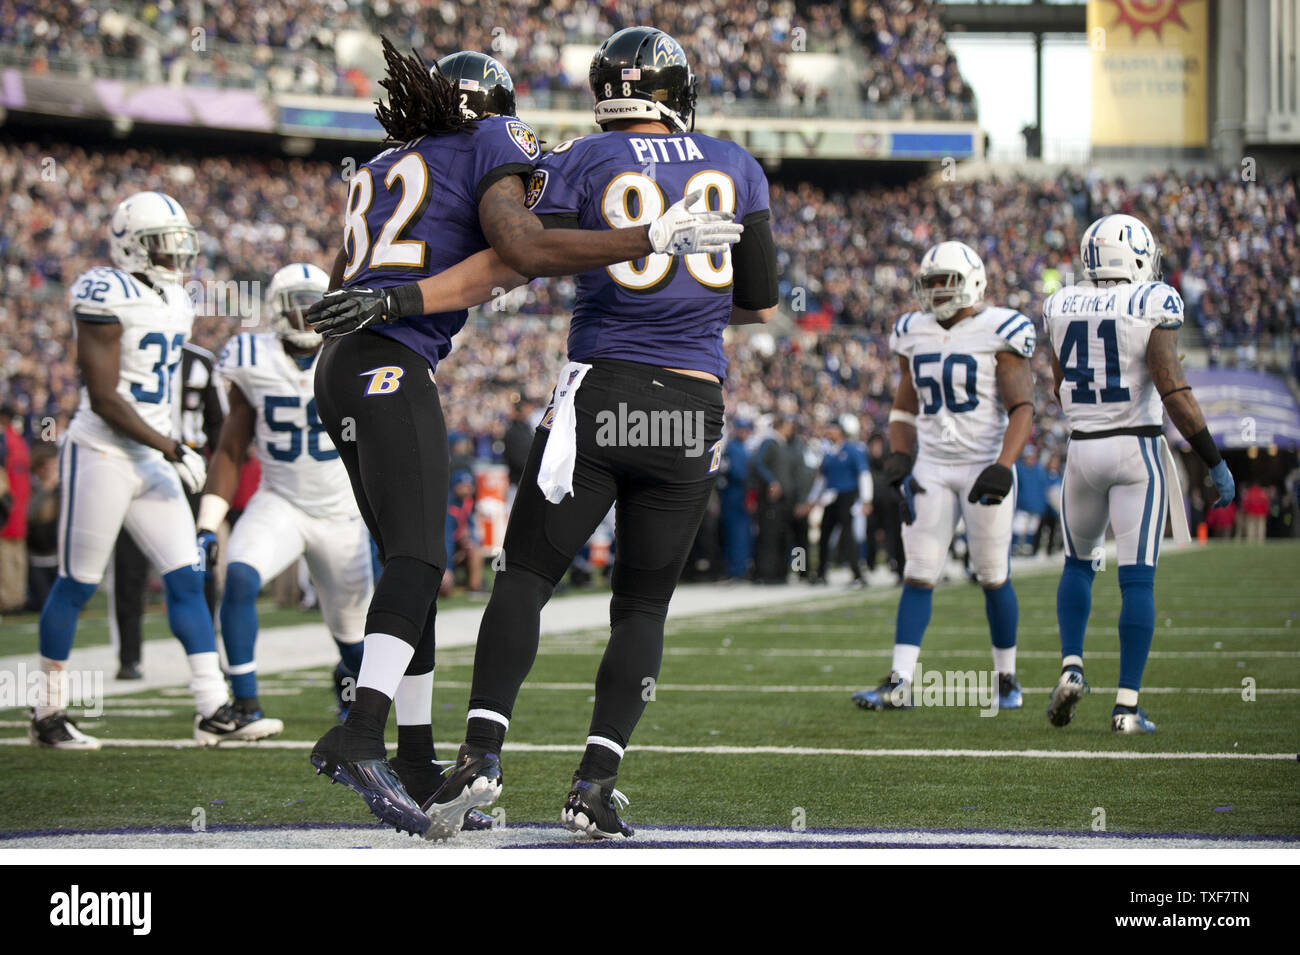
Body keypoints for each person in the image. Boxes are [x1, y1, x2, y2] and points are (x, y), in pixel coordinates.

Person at [302, 42, 742, 837]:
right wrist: (650, 238)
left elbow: (352, 286)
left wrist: (388, 303)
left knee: (414, 564)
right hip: (394, 365)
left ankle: (413, 755)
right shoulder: (494, 143)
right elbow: (524, 251)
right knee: (420, 560)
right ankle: (360, 732)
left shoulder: (381, 163)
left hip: (340, 367)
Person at [32, 191, 267, 749]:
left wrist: (167, 447)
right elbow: (104, 397)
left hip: (153, 455)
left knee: (187, 575)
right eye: (163, 245)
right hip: (103, 453)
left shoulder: (177, 300)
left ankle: (212, 707)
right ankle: (47, 712)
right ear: (132, 246)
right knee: (78, 582)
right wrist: (171, 445)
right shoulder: (102, 289)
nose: (174, 256)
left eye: (178, 245)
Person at [1043, 213, 1235, 734]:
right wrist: (1213, 459)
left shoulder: (1058, 302)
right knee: (1136, 578)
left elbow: (1058, 382)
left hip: (1082, 450)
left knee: (1078, 564)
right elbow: (1172, 388)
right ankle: (1126, 707)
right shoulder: (1154, 299)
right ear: (1138, 254)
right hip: (1135, 449)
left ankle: (1072, 666)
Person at [852, 240, 1035, 714]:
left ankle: (1008, 679)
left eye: (945, 281)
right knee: (918, 574)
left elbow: (1022, 407)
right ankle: (900, 681)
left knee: (993, 575)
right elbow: (904, 405)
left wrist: (1003, 464)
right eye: (929, 282)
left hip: (981, 463)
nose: (936, 291)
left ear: (972, 281)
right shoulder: (912, 331)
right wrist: (899, 454)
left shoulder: (1000, 328)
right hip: (931, 464)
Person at [195, 263, 374, 736]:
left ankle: (348, 682)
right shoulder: (250, 356)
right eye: (296, 303)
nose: (307, 313)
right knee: (238, 575)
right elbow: (231, 447)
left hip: (340, 510)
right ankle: (246, 702)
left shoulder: (352, 350)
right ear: (277, 309)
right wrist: (208, 524)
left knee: (354, 638)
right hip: (281, 501)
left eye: (313, 301)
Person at [815, 420, 868, 585]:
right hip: (831, 497)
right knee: (824, 535)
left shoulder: (852, 450)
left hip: (847, 496)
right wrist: (813, 499)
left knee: (847, 536)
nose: (829, 432)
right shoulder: (829, 453)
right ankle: (821, 573)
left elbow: (863, 475)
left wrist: (867, 499)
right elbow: (822, 479)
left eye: (833, 429)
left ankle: (857, 574)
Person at [0, 406, 30, 612]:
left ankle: (8, 600)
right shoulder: (19, 440)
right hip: (20, 501)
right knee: (17, 555)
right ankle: (16, 597)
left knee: (6, 554)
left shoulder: (7, 440)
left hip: (10, 500)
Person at [717, 417, 754, 580]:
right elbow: (740, 474)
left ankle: (739, 567)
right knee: (736, 533)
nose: (745, 433)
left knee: (741, 533)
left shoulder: (740, 446)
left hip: (737, 494)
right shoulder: (734, 447)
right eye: (742, 429)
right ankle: (736, 569)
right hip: (735, 494)